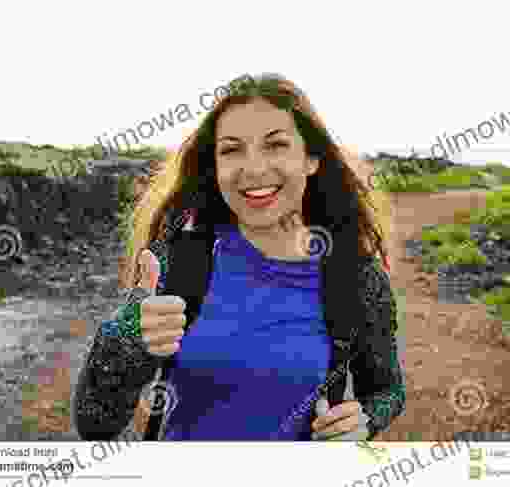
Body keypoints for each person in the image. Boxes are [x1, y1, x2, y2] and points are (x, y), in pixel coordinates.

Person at [74, 72, 405, 441]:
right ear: (215, 168)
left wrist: (364, 421)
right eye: (232, 149)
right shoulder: (183, 259)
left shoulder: (356, 277)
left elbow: (387, 390)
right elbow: (94, 425)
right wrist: (129, 337)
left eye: (275, 145)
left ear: (311, 159)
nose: (253, 169)